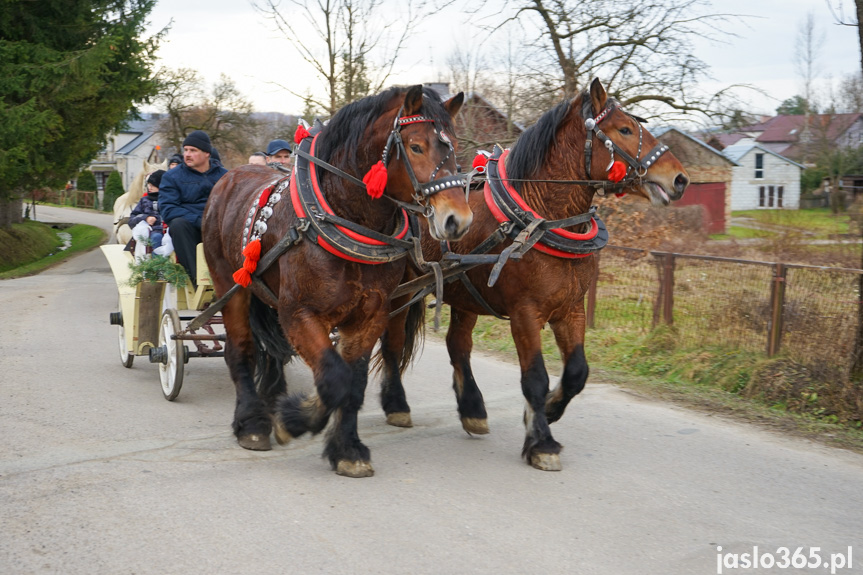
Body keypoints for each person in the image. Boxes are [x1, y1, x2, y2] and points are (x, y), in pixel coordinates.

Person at [158, 130, 228, 285]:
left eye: (193, 150)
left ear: (207, 153)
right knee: (177, 224)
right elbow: (168, 209)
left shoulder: (225, 176)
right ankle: (200, 282)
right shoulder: (172, 176)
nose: (187, 154)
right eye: (186, 150)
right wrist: (200, 221)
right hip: (190, 229)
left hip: (220, 228)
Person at [128, 170, 166, 249]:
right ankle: (157, 261)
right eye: (148, 184)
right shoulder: (144, 200)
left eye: (153, 185)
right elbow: (131, 220)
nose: (149, 187)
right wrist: (146, 218)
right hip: (151, 232)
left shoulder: (169, 199)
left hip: (169, 232)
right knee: (156, 237)